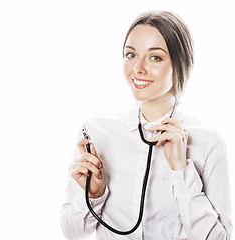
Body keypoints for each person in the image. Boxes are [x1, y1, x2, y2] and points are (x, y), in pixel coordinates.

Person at [60, 10, 233, 239]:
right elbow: (73, 233)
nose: (138, 69)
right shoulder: (96, 132)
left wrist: (181, 171)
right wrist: (94, 195)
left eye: (155, 57)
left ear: (180, 64)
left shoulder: (208, 142)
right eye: (131, 55)